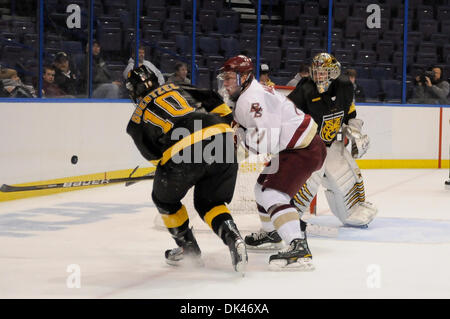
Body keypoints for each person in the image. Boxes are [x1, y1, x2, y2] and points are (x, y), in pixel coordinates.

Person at [125, 65, 248, 273]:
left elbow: (157, 159)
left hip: (182, 150)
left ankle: (188, 249)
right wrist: (227, 131)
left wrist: (172, 172)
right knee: (209, 201)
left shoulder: (135, 121)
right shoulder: (177, 86)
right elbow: (214, 100)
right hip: (221, 136)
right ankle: (233, 238)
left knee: (163, 198)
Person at [218, 55, 327, 270]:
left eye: (230, 78)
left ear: (245, 77)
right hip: (295, 148)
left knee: (272, 194)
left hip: (304, 149)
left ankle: (298, 247)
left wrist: (235, 153)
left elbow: (265, 141)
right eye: (225, 78)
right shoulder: (248, 94)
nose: (226, 83)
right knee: (261, 188)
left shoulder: (253, 99)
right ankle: (272, 234)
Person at [285, 53, 377, 228]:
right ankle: (286, 217)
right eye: (316, 72)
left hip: (332, 144)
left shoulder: (344, 86)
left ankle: (353, 209)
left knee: (349, 174)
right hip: (309, 145)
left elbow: (350, 115)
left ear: (333, 73)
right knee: (307, 182)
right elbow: (287, 112)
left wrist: (355, 132)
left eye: (323, 72)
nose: (318, 76)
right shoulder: (306, 87)